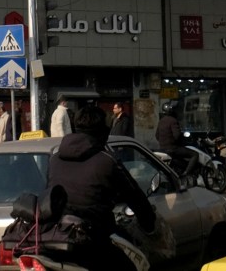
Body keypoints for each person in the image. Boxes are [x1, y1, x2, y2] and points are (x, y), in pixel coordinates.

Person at [43, 105, 155, 271]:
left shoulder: (55, 159)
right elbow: (135, 196)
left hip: (56, 238)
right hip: (94, 239)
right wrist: (150, 225)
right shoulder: (107, 161)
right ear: (103, 132)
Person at [155, 103, 193, 177]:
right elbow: (177, 135)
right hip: (172, 149)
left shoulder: (161, 121)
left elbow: (157, 136)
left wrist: (163, 142)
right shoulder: (173, 120)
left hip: (162, 149)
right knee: (195, 155)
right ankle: (186, 173)